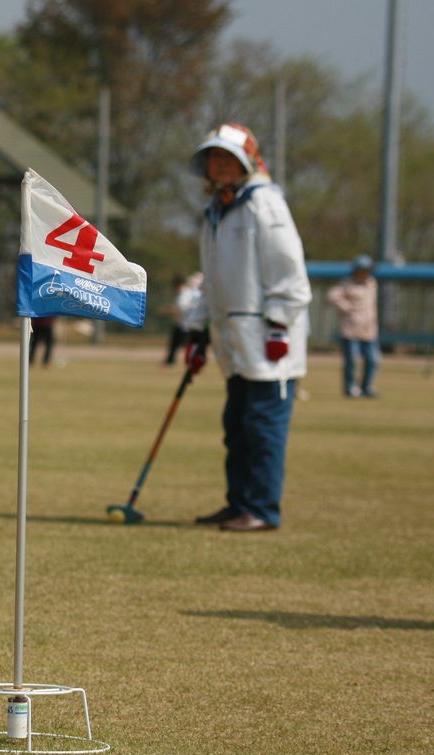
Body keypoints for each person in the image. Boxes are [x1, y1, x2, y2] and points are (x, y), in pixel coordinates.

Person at [183, 123, 311, 533]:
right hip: (233, 343)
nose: (218, 165)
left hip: (268, 342)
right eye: (213, 158)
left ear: (247, 162)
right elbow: (212, 279)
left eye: (227, 158)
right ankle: (239, 502)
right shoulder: (217, 210)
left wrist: (278, 327)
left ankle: (261, 509)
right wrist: (197, 329)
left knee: (263, 428)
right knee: (237, 427)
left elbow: (289, 273)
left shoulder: (265, 204)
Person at [326, 254, 380, 397]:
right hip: (350, 329)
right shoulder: (346, 283)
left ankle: (367, 387)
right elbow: (332, 296)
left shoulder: (372, 283)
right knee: (352, 361)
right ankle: (350, 387)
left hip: (369, 330)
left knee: (373, 360)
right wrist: (346, 308)